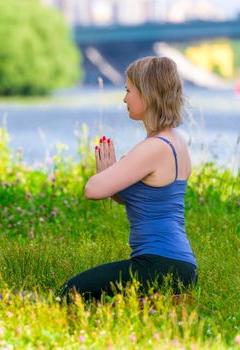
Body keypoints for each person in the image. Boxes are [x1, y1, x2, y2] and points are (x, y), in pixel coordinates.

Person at [60, 57, 197, 302]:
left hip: (158, 264)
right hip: (180, 266)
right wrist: (114, 180)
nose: (124, 98)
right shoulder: (175, 141)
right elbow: (146, 199)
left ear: (147, 94)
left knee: (70, 293)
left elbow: (92, 190)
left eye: (128, 90)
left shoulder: (155, 147)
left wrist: (106, 175)